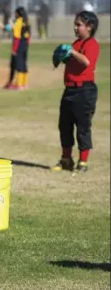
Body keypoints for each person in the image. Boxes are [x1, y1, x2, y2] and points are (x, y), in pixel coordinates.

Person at [51, 11, 100, 174]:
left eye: (79, 24)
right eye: (76, 24)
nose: (76, 27)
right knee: (64, 125)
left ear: (89, 27)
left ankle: (83, 161)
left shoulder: (92, 44)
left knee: (82, 127)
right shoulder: (76, 43)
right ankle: (66, 159)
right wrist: (63, 58)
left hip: (84, 91)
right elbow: (73, 60)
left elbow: (86, 62)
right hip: (70, 89)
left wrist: (71, 52)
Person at [3, 7, 31, 90]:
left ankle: (19, 85)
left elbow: (17, 37)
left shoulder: (18, 22)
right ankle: (24, 84)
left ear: (18, 14)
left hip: (19, 44)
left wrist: (14, 50)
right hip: (25, 44)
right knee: (24, 64)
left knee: (19, 65)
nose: (15, 15)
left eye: (16, 13)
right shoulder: (26, 22)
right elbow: (29, 37)